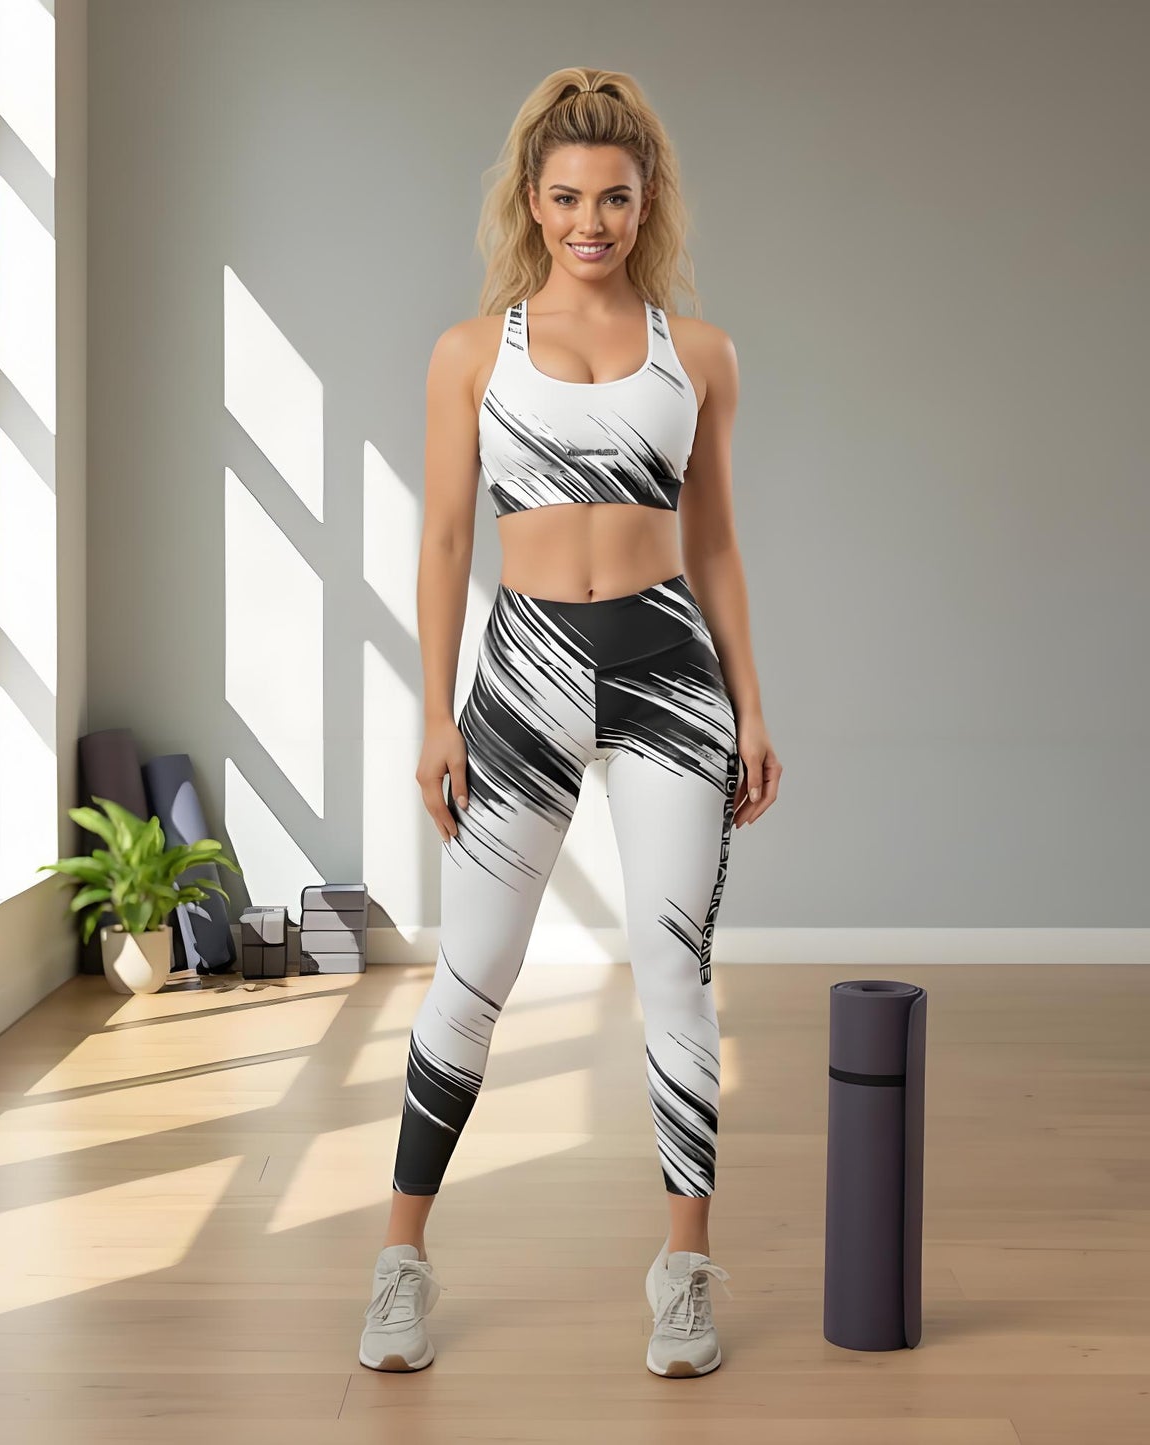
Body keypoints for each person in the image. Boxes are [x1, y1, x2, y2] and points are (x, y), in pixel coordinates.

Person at [359, 66, 780, 1379]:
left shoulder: (696, 354)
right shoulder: (469, 353)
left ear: (646, 204)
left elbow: (716, 544)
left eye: (613, 198)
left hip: (667, 675)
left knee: (672, 974)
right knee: (473, 974)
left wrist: (752, 706)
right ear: (530, 203)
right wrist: (436, 713)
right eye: (565, 198)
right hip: (525, 672)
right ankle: (399, 1263)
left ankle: (684, 1274)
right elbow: (442, 539)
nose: (589, 222)